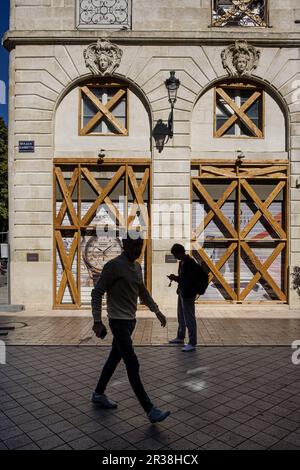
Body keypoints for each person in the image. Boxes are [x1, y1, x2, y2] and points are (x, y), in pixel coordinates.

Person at [91, 233, 170, 424]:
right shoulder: (113, 266)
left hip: (130, 321)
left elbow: (142, 291)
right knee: (132, 363)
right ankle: (150, 409)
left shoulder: (137, 267)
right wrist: (97, 321)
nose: (139, 249)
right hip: (117, 322)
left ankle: (98, 393)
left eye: (141, 245)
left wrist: (157, 311)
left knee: (114, 358)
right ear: (125, 245)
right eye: (135, 245)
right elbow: (97, 292)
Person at [167, 244, 198, 352]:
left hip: (189, 294)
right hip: (182, 292)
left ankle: (192, 342)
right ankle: (180, 337)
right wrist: (177, 283)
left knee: (189, 317)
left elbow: (188, 280)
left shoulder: (190, 263)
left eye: (175, 255)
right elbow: (183, 278)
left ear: (180, 252)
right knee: (180, 315)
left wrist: (175, 278)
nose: (175, 258)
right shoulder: (182, 263)